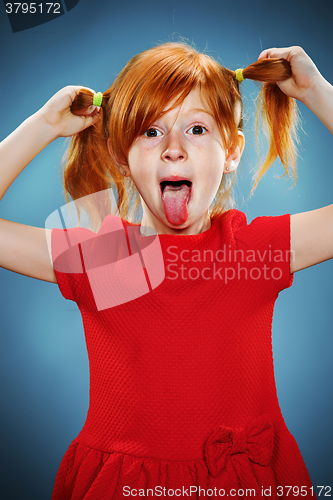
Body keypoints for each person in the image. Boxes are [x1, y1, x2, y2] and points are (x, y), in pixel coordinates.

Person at [0, 42, 332, 499]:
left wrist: (316, 91)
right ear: (120, 156)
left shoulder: (253, 253)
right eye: (151, 132)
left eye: (196, 128)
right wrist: (42, 126)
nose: (174, 149)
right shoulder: (106, 261)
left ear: (232, 150)